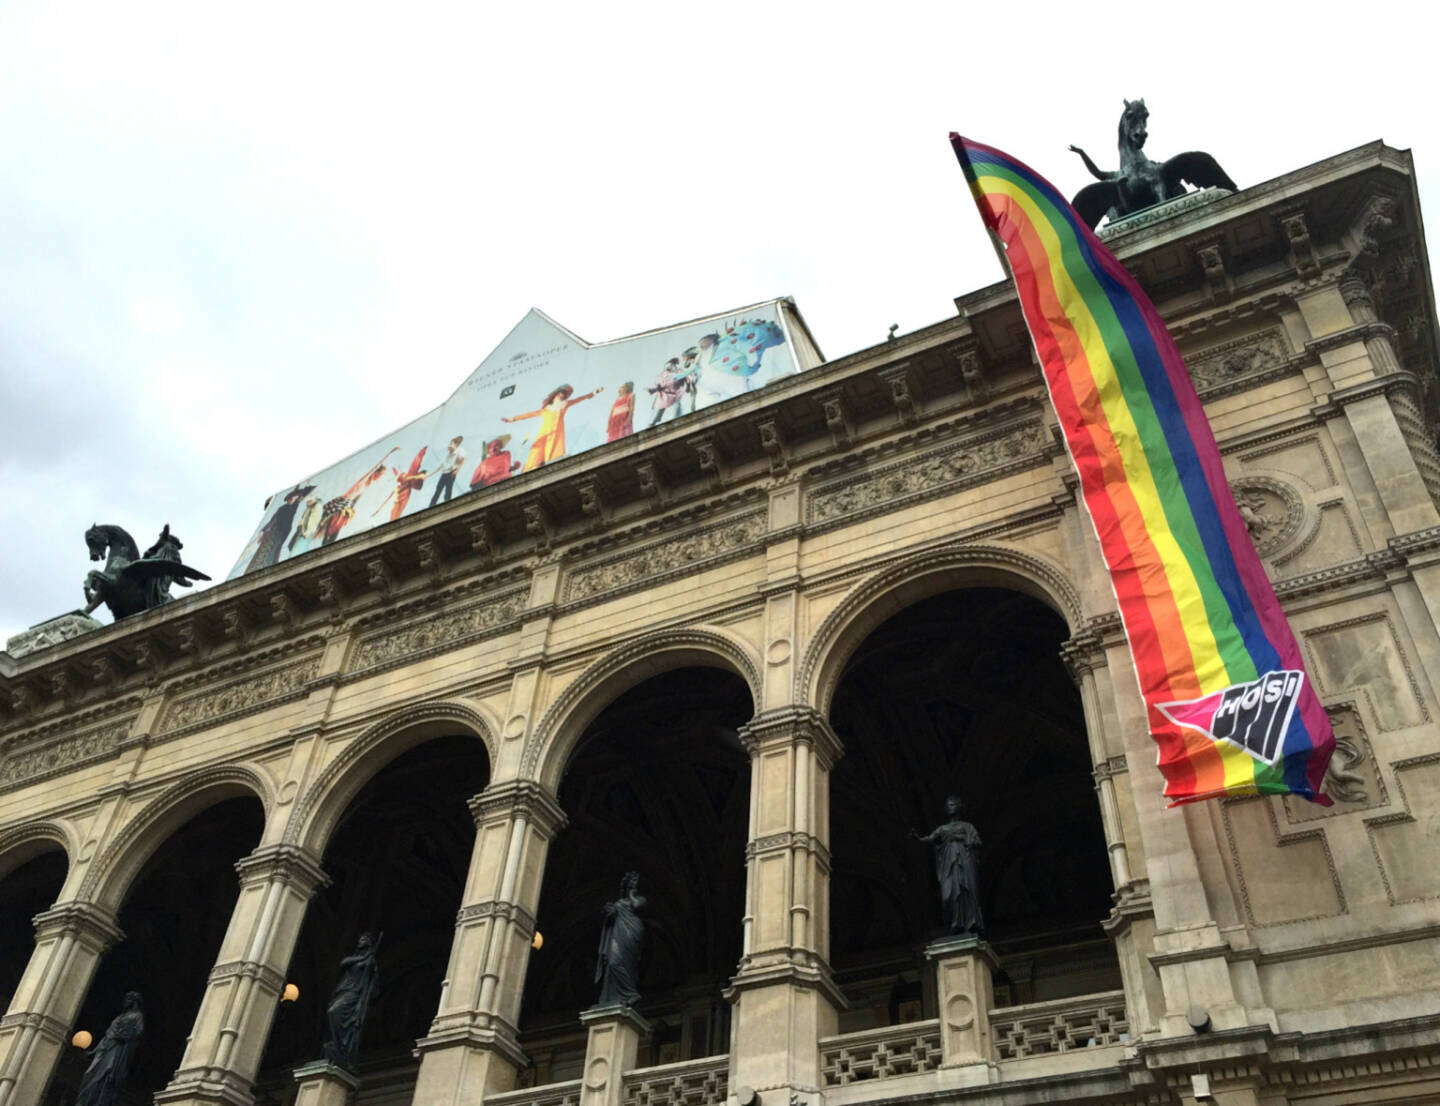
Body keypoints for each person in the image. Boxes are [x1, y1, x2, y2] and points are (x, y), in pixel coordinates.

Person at [913, 796, 984, 936]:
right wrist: (918, 838)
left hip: (964, 858)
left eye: (952, 804)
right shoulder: (942, 828)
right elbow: (930, 838)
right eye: (947, 805)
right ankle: (955, 923)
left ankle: (970, 924)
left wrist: (964, 839)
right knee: (948, 895)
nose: (949, 807)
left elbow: (977, 842)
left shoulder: (967, 826)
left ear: (959, 806)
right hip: (949, 860)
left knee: (967, 891)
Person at [503, 384, 603, 472]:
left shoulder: (565, 405)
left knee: (553, 452)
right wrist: (513, 419)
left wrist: (594, 393)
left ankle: (550, 466)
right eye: (562, 393)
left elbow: (580, 399)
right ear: (556, 394)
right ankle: (533, 468)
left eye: (565, 394)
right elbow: (529, 415)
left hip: (557, 433)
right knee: (537, 452)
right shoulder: (546, 409)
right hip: (545, 433)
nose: (563, 396)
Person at [76, 991, 144, 1106]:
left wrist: (125, 1035)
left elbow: (137, 1033)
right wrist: (94, 1051)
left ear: (134, 1002)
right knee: (89, 1075)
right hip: (105, 1049)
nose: (125, 1002)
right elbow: (107, 1036)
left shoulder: (137, 1017)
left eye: (128, 1000)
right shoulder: (119, 1017)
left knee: (106, 1076)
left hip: (117, 1051)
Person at [324, 933, 380, 1071]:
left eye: (365, 939)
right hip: (343, 991)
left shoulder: (370, 961)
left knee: (334, 1012)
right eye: (360, 939)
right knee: (332, 1013)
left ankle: (342, 1048)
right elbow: (343, 963)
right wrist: (363, 957)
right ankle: (337, 1045)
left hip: (354, 993)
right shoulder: (355, 959)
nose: (362, 941)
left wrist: (371, 966)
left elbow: (374, 984)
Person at [594, 872, 645, 1007]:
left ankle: (630, 994)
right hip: (618, 931)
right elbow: (610, 915)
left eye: (636, 882)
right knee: (613, 962)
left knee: (629, 964)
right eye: (632, 882)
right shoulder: (619, 904)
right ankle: (628, 994)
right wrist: (608, 911)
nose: (634, 884)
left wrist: (632, 894)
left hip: (633, 930)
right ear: (627, 885)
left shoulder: (640, 899)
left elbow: (636, 905)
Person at [245, 486, 314, 572]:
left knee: (274, 550)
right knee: (269, 549)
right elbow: (272, 520)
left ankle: (267, 567)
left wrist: (303, 492)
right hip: (274, 532)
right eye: (291, 498)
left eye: (293, 498)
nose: (293, 499)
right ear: (288, 499)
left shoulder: (293, 507)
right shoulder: (282, 508)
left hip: (281, 532)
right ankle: (261, 567)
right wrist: (263, 531)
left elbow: (299, 499)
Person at [428, 437, 465, 506]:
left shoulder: (460, 451)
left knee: (448, 489)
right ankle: (431, 505)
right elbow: (439, 467)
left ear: (456, 445)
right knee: (438, 490)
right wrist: (428, 475)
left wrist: (457, 470)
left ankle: (448, 504)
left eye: (451, 444)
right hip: (444, 474)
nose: (449, 445)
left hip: (451, 473)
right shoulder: (447, 456)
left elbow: (462, 460)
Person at [647, 361, 686, 426]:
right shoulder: (662, 375)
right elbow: (659, 383)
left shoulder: (677, 373)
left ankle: (678, 420)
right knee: (658, 410)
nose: (673, 367)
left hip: (674, 395)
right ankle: (651, 423)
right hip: (664, 396)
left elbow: (681, 380)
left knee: (677, 409)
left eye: (674, 366)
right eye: (671, 366)